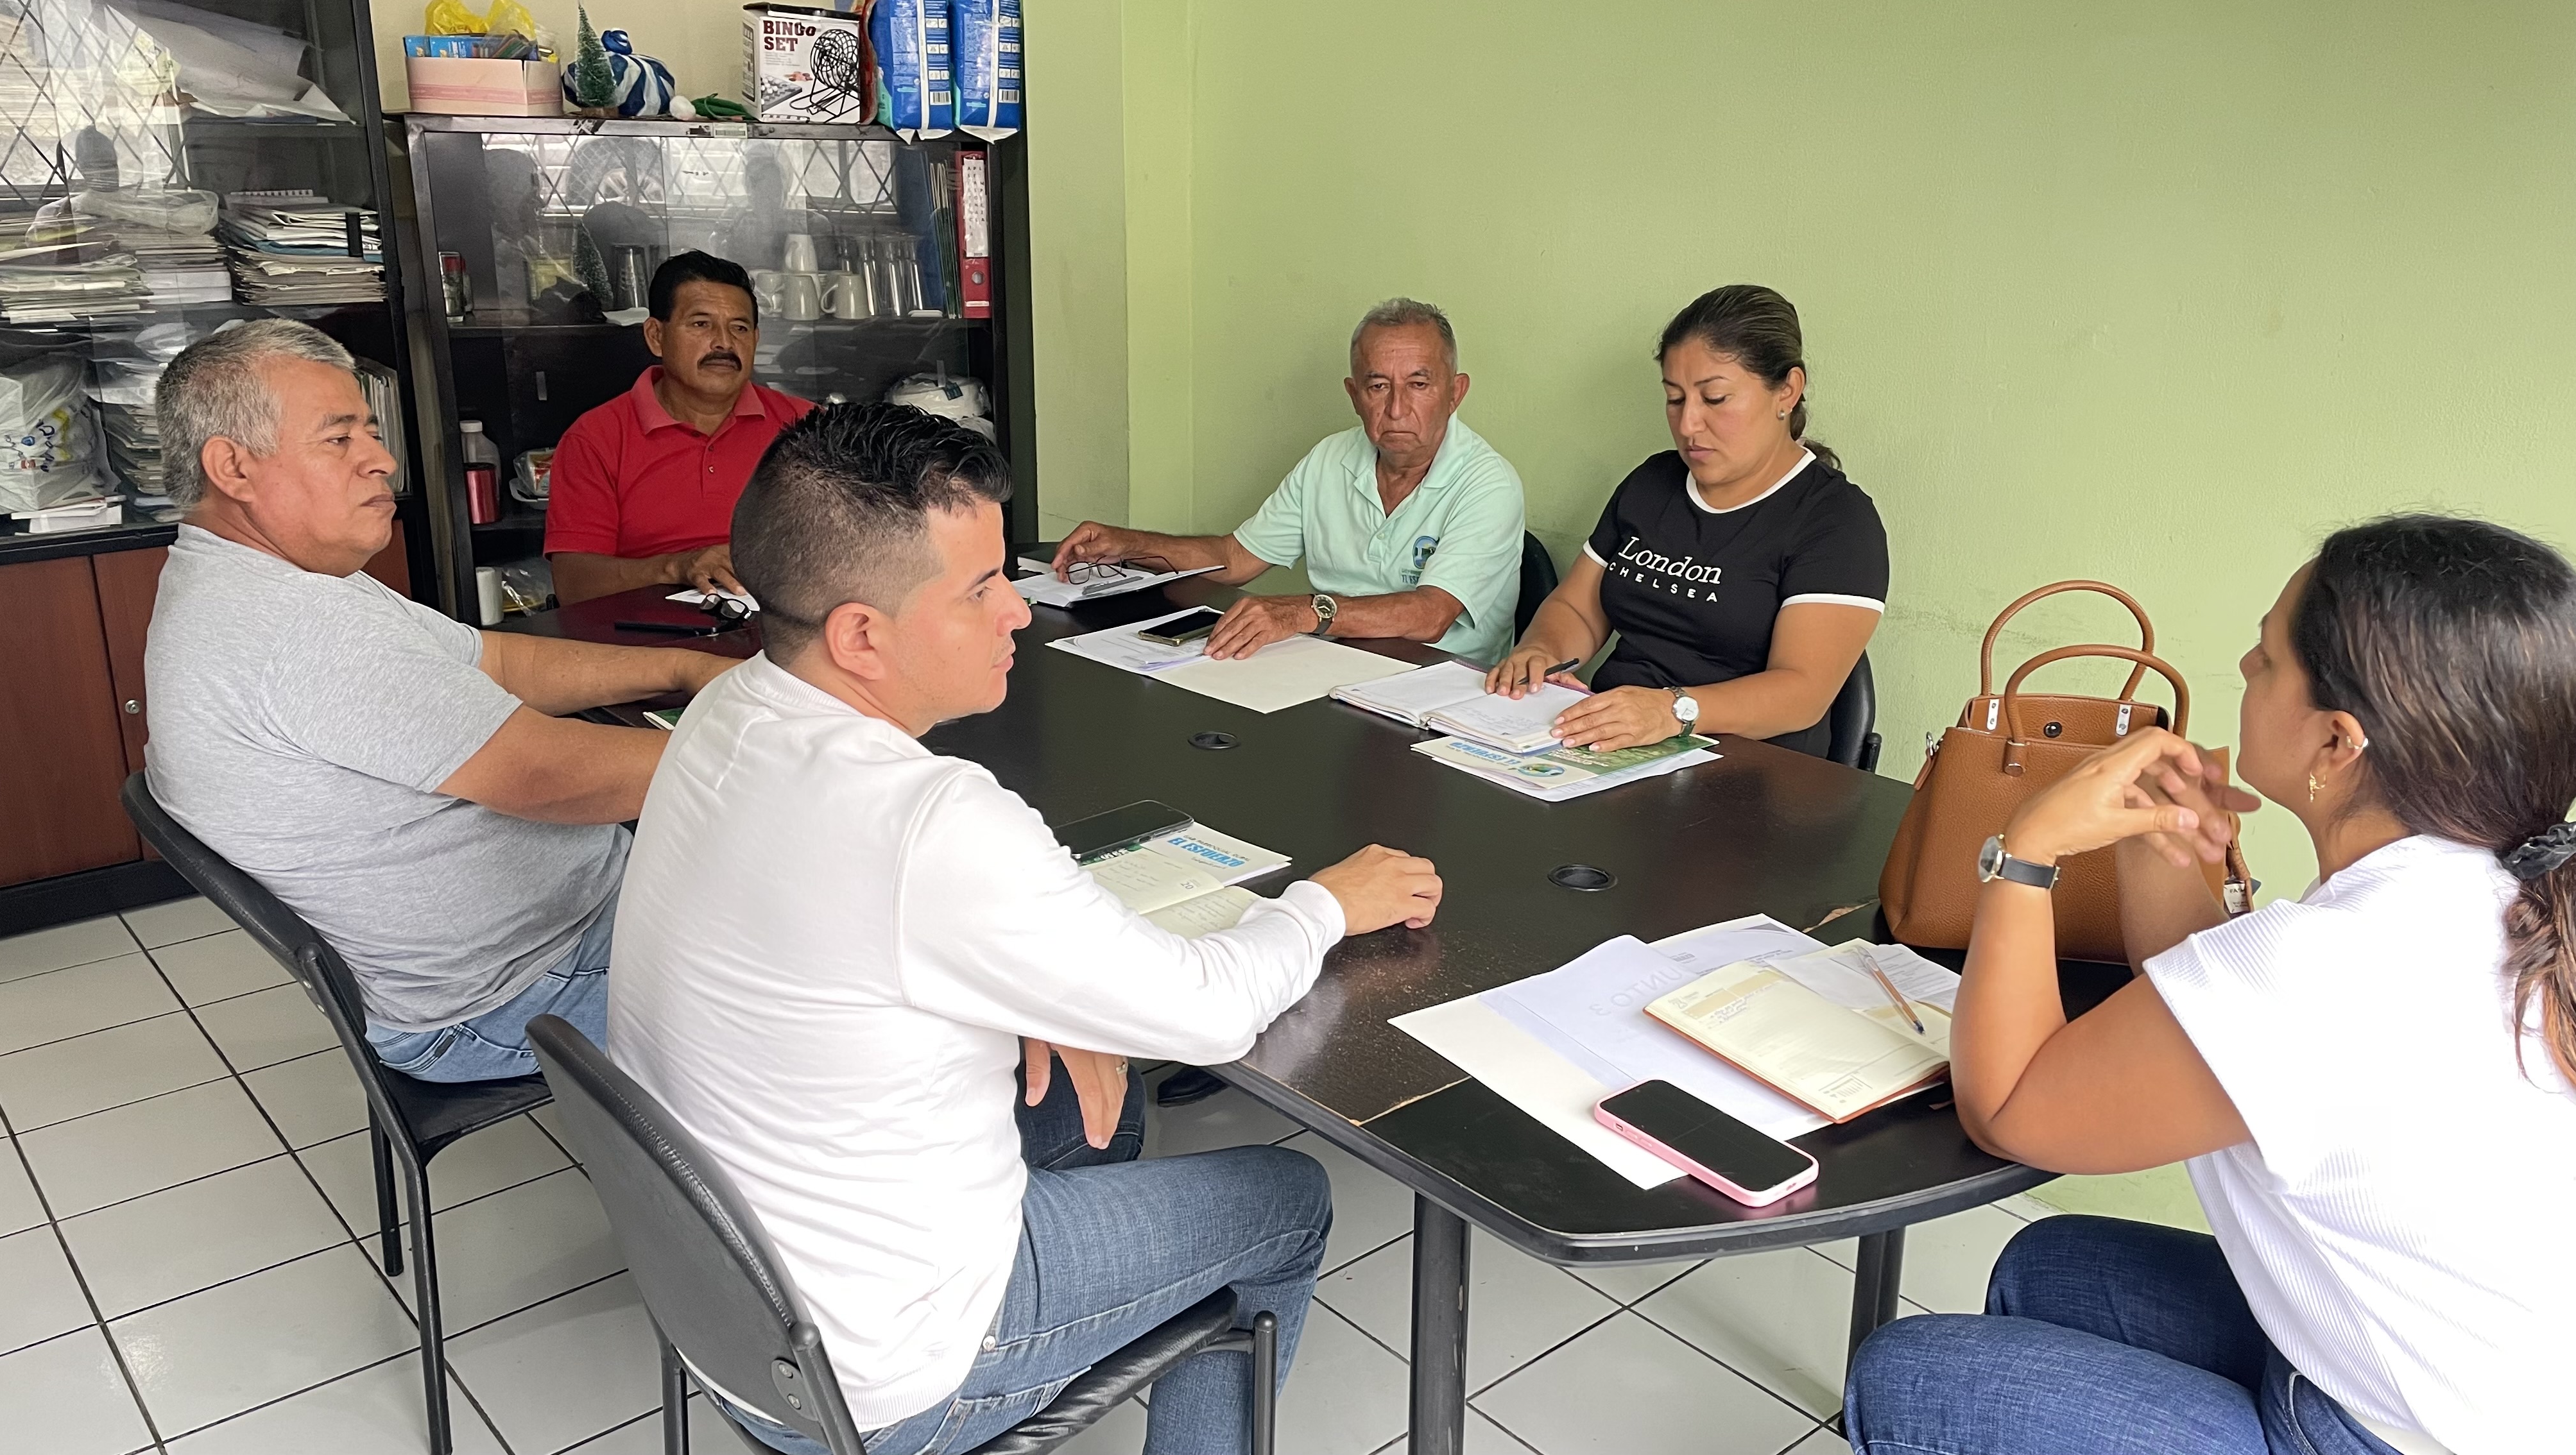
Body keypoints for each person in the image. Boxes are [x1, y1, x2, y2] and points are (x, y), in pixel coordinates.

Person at [606, 402, 1445, 1455]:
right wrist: (1328, 902)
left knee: (1102, 1117)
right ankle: (1042, 1339)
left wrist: (1040, 992)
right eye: (980, 588)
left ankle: (1099, 1294)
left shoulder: (727, 712)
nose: (1018, 608)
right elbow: (1210, 1013)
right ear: (860, 634)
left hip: (727, 1302)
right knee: (1288, 1198)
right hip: (883, 1371)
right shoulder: (931, 820)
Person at [1844, 515, 2576, 1455]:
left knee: (1905, 1377)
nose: (2242, 665)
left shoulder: (2334, 962)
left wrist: (2027, 849)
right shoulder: (2486, 886)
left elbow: (2009, 1110)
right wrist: (2157, 838)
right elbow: (2223, 1012)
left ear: (2337, 744)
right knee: (2046, 1265)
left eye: (2268, 659)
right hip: (2478, 1388)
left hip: (2392, 1436)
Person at [141, 320, 730, 1082]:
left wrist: (681, 669)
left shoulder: (266, 580)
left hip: (550, 932)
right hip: (516, 994)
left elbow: (497, 658)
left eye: (370, 432)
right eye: (339, 438)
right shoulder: (293, 626)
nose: (382, 459)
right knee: (835, 949)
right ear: (233, 467)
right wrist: (773, 743)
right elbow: (552, 777)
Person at [1487, 284, 1885, 759]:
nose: (1688, 424)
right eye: (1675, 399)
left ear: (1787, 391)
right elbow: (1577, 609)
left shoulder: (1836, 521)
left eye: (1715, 399)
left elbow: (1801, 694)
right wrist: (1541, 651)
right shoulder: (1653, 483)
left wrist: (1671, 710)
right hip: (1614, 745)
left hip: (1747, 767)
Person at [1050, 298, 1525, 665]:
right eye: (1378, 386)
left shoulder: (1488, 484)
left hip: (1435, 690)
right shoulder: (1330, 458)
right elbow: (1236, 559)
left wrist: (1304, 611)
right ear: (1354, 395)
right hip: (1329, 668)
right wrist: (1129, 545)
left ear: (1455, 393)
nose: (1397, 409)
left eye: (1418, 385)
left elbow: (1430, 615)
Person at [544, 250, 814, 604]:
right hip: (646, 631)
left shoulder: (808, 426)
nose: (724, 342)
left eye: (740, 328)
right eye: (701, 324)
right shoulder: (596, 439)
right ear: (656, 336)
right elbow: (573, 585)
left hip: (787, 622)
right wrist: (677, 568)